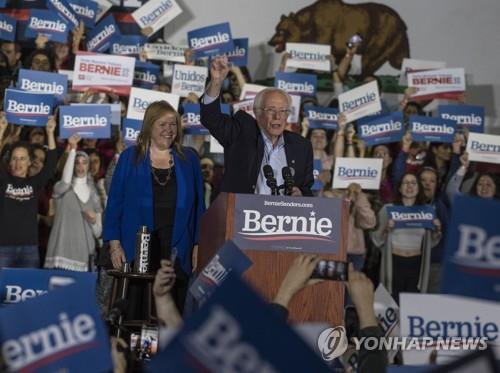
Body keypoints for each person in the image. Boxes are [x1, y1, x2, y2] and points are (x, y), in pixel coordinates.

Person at [104, 101, 204, 312]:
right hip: (137, 246)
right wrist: (114, 244)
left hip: (177, 248)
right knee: (137, 310)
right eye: (162, 124)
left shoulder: (189, 159)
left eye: (173, 124)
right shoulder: (130, 157)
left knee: (171, 313)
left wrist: (198, 244)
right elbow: (114, 204)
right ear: (149, 125)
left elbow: (199, 207)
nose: (169, 130)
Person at [200, 56, 313, 196]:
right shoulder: (240, 133)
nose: (278, 117)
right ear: (257, 113)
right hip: (241, 214)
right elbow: (210, 118)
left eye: (283, 111)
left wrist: (301, 194)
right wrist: (216, 82)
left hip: (283, 216)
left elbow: (307, 189)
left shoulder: (302, 146)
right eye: (271, 110)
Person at [371, 173, 442, 303]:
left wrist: (437, 231)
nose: (409, 186)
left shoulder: (427, 210)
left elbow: (430, 242)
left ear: (418, 188)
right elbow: (376, 239)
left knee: (412, 304)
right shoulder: (387, 209)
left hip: (417, 265)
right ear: (399, 188)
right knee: (391, 303)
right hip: (393, 263)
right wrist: (386, 229)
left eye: (413, 183)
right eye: (405, 183)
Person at [0, 115, 57, 268]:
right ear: (9, 161)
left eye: (22, 158)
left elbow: (51, 164)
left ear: (30, 162)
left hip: (29, 249)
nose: (18, 163)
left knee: (28, 290)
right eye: (14, 158)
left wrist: (50, 133)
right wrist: (1, 130)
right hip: (3, 248)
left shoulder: (34, 183)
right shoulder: (3, 180)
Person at [44, 135, 102, 271]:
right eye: (77, 162)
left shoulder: (94, 194)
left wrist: (93, 222)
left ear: (88, 166)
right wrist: (72, 151)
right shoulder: (61, 188)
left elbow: (98, 232)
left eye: (84, 162)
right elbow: (66, 181)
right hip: (60, 254)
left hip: (84, 257)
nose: (80, 166)